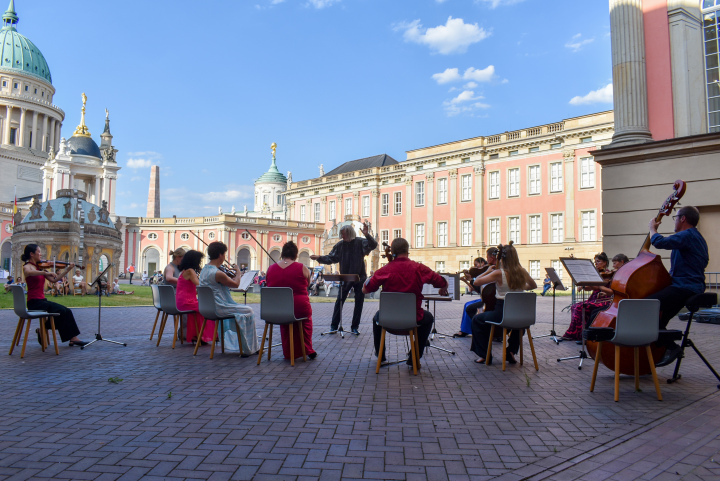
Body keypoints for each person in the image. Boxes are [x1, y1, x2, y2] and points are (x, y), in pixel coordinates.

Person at [362, 237, 448, 367]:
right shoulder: (418, 268)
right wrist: (444, 286)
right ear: (407, 251)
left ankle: (381, 354)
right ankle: (414, 357)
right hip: (413, 319)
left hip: (388, 320)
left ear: (393, 252)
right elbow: (441, 281)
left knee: (376, 318)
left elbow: (365, 290)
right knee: (428, 318)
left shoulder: (384, 270)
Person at [648, 206, 709, 366]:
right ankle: (654, 356)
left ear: (683, 219)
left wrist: (652, 229)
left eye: (675, 217)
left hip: (684, 286)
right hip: (691, 286)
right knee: (662, 317)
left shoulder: (687, 235)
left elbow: (660, 243)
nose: (674, 220)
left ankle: (671, 346)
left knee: (647, 306)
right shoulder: (698, 238)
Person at [470, 242, 537, 365]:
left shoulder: (499, 273)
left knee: (477, 320)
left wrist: (488, 271)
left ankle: (485, 355)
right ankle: (511, 351)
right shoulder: (522, 271)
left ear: (502, 258)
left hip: (501, 314)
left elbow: (477, 282)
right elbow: (533, 285)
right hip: (521, 315)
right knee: (519, 323)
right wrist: (521, 287)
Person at [310, 223, 378, 335]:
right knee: (339, 301)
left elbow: (373, 244)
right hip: (345, 277)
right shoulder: (340, 245)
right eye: (341, 234)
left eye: (343, 234)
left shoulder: (360, 242)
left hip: (359, 277)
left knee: (359, 302)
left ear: (349, 233)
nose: (342, 236)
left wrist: (367, 235)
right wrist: (319, 258)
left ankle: (354, 327)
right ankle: (334, 326)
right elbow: (331, 257)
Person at [199, 241, 259, 356]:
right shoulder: (217, 273)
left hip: (206, 308)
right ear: (221, 255)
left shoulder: (204, 271)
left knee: (243, 310)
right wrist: (238, 272)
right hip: (219, 307)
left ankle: (245, 345)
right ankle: (249, 348)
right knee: (248, 310)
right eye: (224, 254)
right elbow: (235, 284)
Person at [20, 244, 87, 347]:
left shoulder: (41, 268)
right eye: (39, 252)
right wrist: (44, 273)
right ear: (32, 254)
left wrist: (68, 269)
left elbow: (55, 279)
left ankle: (72, 338)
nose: (41, 254)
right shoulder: (27, 266)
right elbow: (29, 272)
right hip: (34, 302)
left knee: (67, 311)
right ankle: (44, 328)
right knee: (61, 311)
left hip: (42, 300)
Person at [266, 241, 318, 360]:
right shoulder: (302, 267)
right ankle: (307, 349)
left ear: (282, 254)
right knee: (305, 320)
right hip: (299, 308)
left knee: (286, 322)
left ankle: (289, 352)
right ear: (295, 255)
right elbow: (307, 284)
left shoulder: (270, 269)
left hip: (276, 310)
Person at [562, 252, 614, 341]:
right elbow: (590, 288)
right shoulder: (597, 274)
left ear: (604, 262)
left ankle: (578, 334)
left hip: (603, 300)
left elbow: (598, 287)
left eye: (598, 261)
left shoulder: (607, 274)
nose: (596, 263)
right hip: (594, 298)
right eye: (595, 261)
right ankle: (576, 333)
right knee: (574, 306)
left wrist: (589, 283)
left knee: (579, 307)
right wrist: (583, 285)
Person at [456, 249, 499, 338]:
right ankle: (466, 330)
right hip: (487, 297)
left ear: (491, 258)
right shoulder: (491, 269)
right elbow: (480, 289)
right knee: (467, 305)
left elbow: (478, 288)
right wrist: (469, 280)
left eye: (487, 257)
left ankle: (479, 329)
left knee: (469, 307)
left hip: (491, 299)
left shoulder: (492, 270)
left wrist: (471, 280)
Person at [176, 250, 214, 345]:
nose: (200, 263)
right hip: (186, 302)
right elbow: (200, 285)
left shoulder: (185, 271)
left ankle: (199, 335)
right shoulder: (190, 271)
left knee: (201, 308)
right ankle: (204, 335)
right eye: (199, 260)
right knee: (207, 308)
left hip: (183, 301)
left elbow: (191, 289)